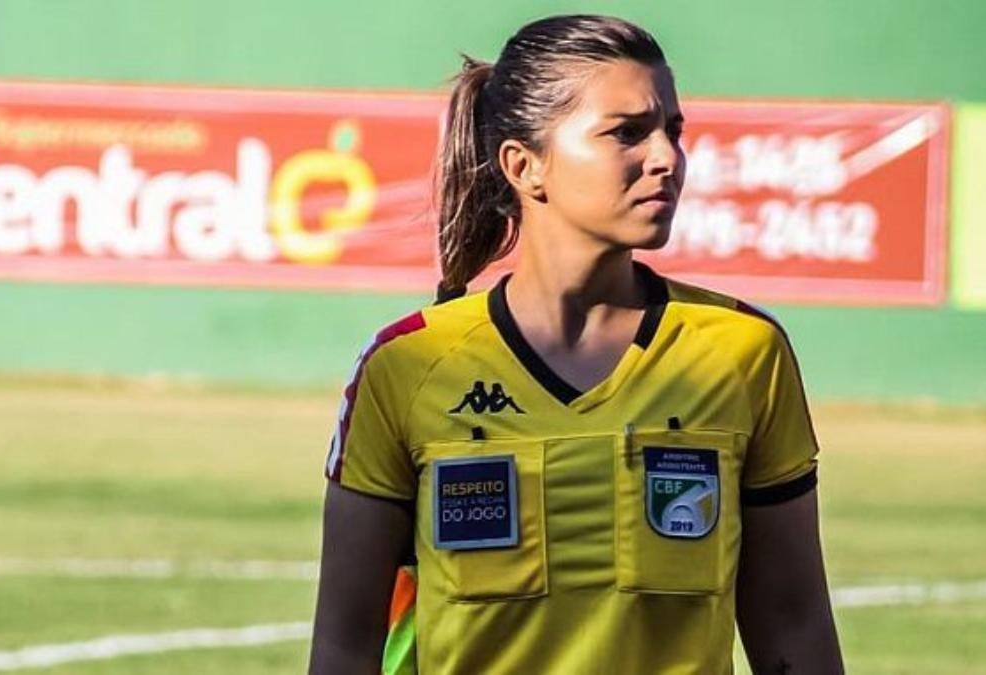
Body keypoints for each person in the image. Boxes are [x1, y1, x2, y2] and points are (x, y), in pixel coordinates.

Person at [309, 14, 843, 675]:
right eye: (627, 132)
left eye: (673, 131)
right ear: (524, 165)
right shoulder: (408, 364)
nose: (666, 158)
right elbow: (344, 644)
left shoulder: (744, 353)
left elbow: (793, 624)